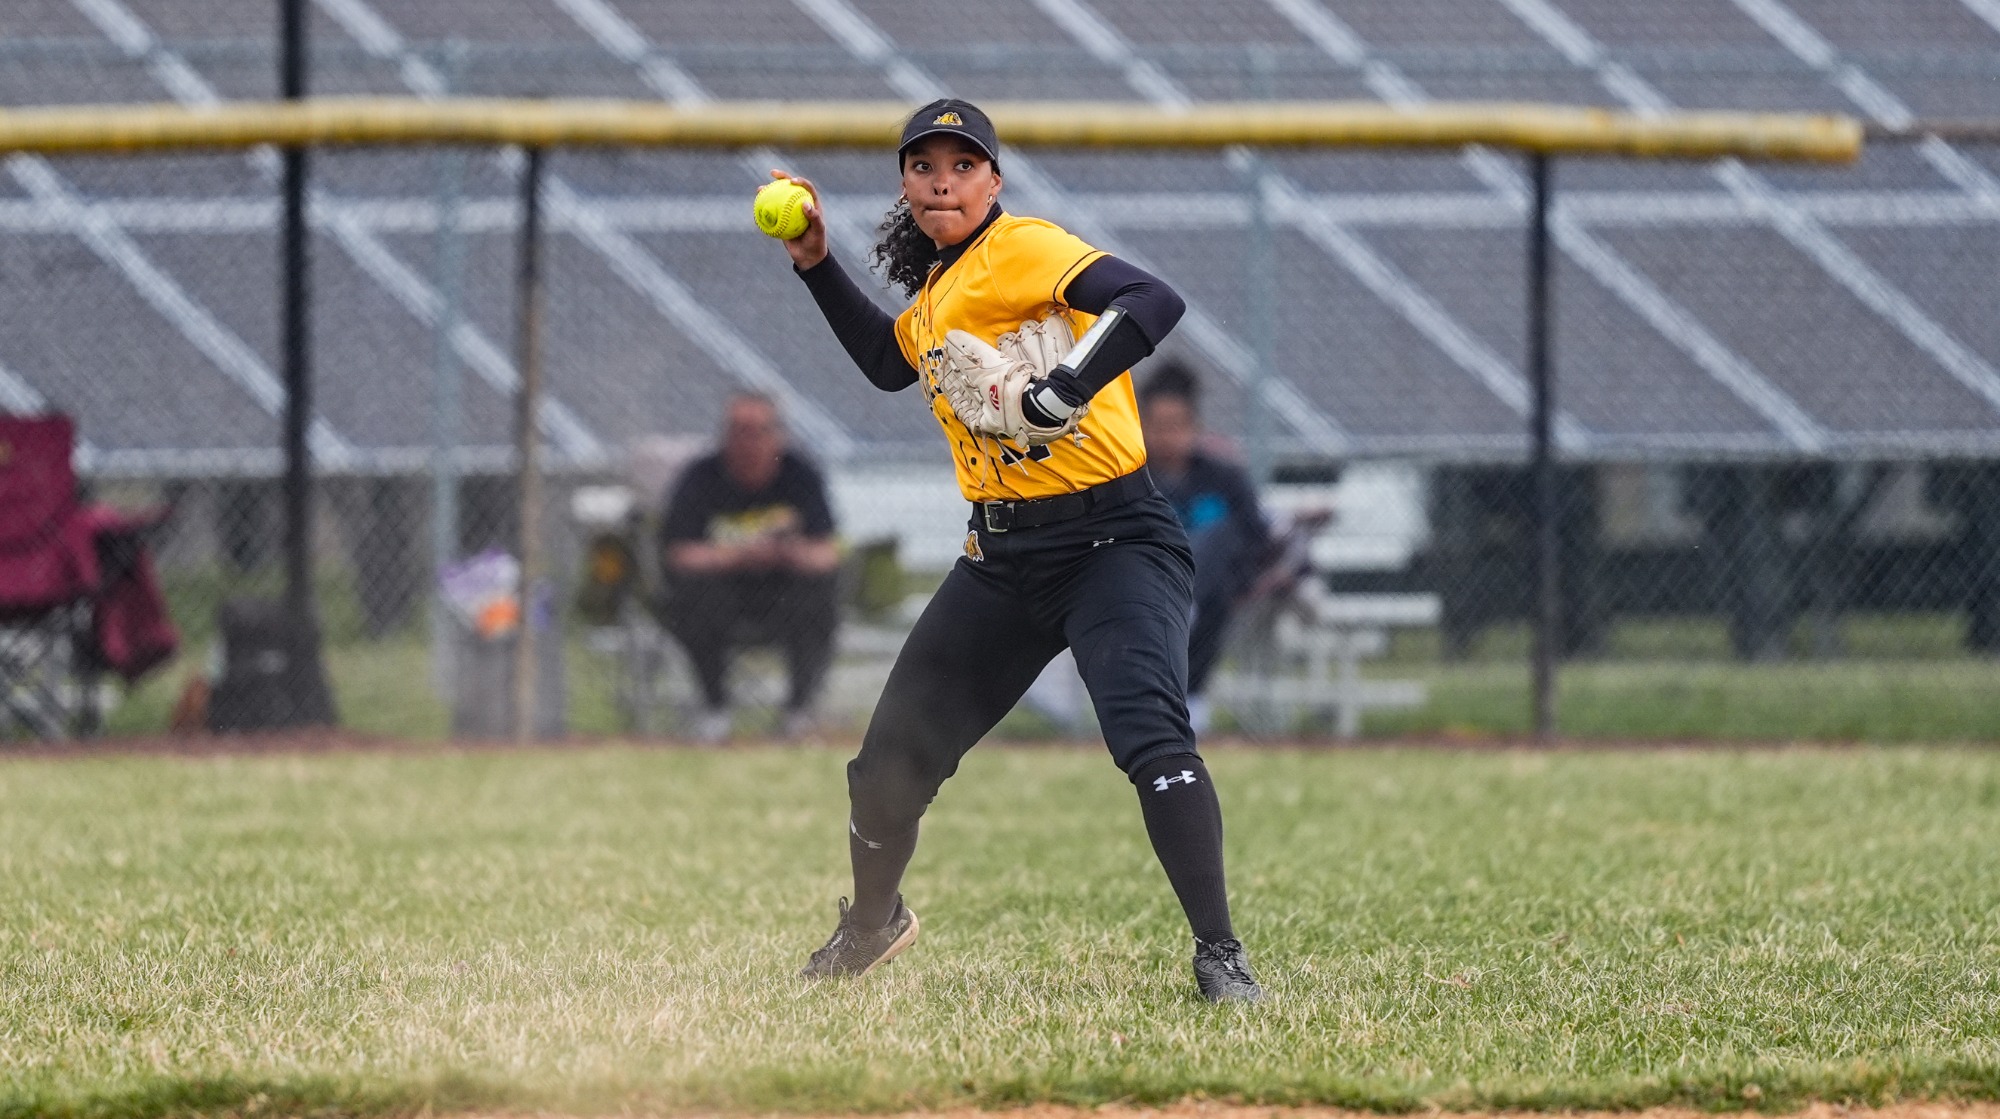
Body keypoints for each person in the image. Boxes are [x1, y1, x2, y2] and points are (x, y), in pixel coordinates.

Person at [770, 99, 1261, 1002]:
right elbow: (889, 361)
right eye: (924, 167)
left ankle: (1220, 955)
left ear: (994, 181)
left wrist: (1063, 387)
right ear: (905, 185)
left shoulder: (1021, 246)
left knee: (1150, 735)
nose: (943, 182)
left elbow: (1152, 299)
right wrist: (814, 261)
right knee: (886, 769)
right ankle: (872, 924)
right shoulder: (939, 293)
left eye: (963, 165)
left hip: (1114, 541)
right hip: (1001, 558)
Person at [658, 392, 840, 743]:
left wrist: (785, 552)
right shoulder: (701, 477)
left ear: (778, 435)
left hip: (783, 595)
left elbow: (827, 553)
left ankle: (797, 713)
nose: (748, 442)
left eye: (758, 431)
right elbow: (679, 553)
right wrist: (739, 554)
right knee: (692, 593)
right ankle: (715, 711)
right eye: (738, 430)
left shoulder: (801, 476)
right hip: (722, 596)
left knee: (821, 591)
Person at [1139, 361, 1272, 735]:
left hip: (1215, 593)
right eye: (1158, 426)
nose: (1168, 436)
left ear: (1195, 426)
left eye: (1177, 425)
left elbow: (1255, 536)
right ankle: (1185, 606)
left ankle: (1192, 696)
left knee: (1220, 538)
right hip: (1150, 587)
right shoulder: (1132, 482)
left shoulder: (1224, 478)